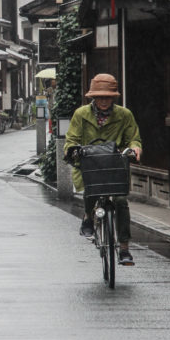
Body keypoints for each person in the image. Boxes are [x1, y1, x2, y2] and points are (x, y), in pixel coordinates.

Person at [64, 73, 142, 265]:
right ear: (93, 97)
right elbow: (72, 139)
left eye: (108, 97)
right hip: (90, 165)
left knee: (121, 201)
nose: (104, 100)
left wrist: (134, 148)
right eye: (100, 97)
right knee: (91, 190)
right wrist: (72, 151)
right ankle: (88, 216)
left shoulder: (124, 115)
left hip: (115, 165)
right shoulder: (81, 114)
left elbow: (134, 138)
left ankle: (124, 248)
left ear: (114, 97)